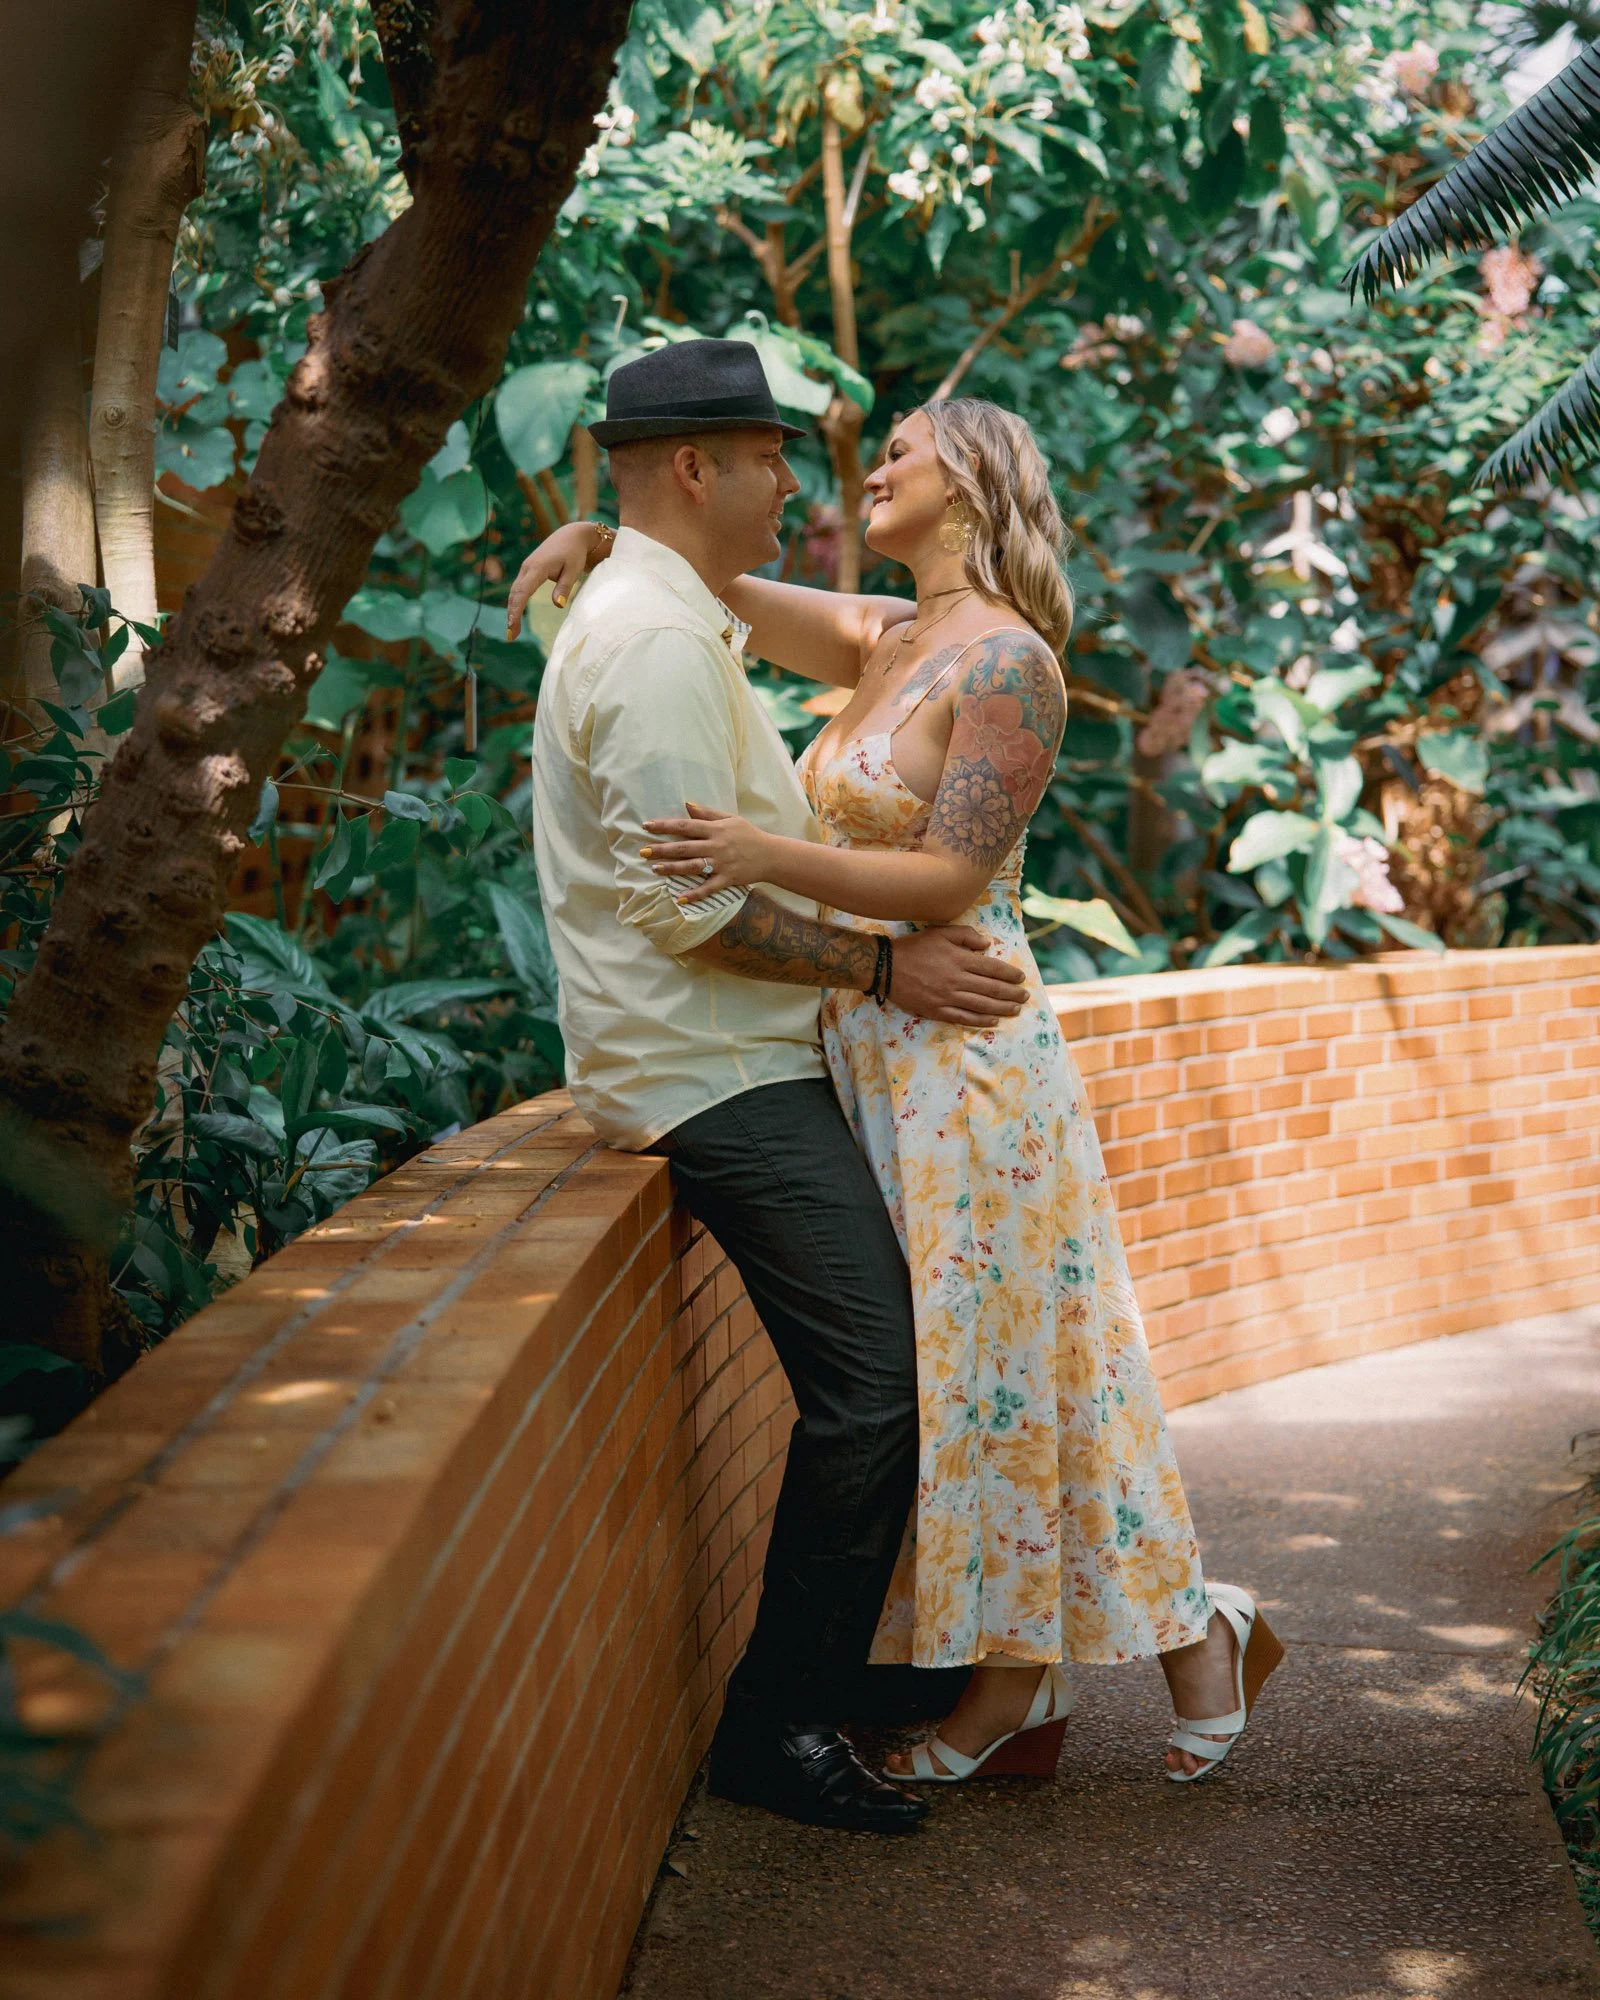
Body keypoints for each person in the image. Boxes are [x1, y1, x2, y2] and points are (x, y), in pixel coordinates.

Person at [513, 378, 1284, 1789]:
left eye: (902, 455)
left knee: (1006, 1365)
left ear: (972, 485)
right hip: (874, 1045)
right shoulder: (889, 635)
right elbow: (707, 576)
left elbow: (947, 877)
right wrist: (600, 535)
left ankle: (1053, 1670)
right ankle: (1139, 1645)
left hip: (966, 1056)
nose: (867, 473)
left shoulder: (1010, 666)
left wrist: (764, 856)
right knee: (982, 1368)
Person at [517, 338, 1032, 1836]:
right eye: (768, 459)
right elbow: (687, 909)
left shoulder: (675, 609)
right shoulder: (656, 644)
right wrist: (880, 970)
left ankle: (838, 1672)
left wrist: (602, 530)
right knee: (871, 1388)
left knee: (882, 1374)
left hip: (734, 1053)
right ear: (696, 468)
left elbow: (862, 638)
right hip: (709, 1072)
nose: (795, 486)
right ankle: (779, 1723)